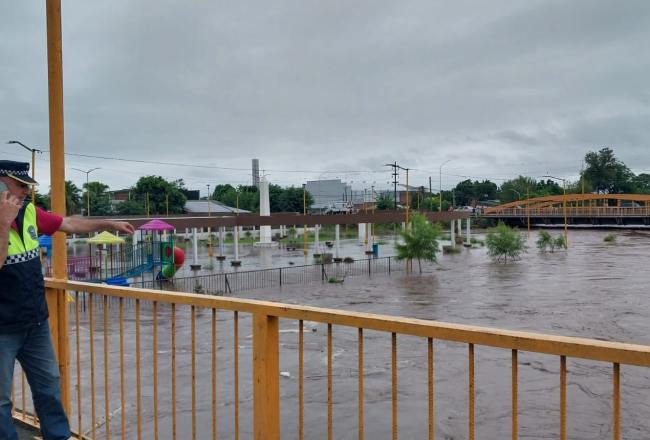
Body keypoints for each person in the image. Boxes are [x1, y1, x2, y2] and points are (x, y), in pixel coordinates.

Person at [0, 160, 135, 440]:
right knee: (1, 401)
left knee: (49, 387)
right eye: (20, 185)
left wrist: (108, 222)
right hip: (2, 328)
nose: (26, 191)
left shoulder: (29, 213)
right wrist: (2, 223)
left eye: (27, 185)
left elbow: (69, 223)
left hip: (34, 322)